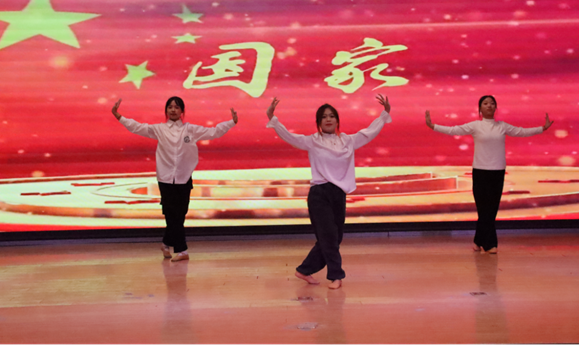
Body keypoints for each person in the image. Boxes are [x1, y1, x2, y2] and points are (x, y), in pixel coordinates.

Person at [266, 95, 392, 289]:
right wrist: (273, 119)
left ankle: (304, 270)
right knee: (329, 237)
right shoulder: (312, 141)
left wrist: (384, 115)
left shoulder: (348, 141)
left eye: (332, 116)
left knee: (334, 237)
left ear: (337, 120)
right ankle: (336, 276)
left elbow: (369, 132)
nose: (328, 119)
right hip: (319, 194)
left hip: (338, 194)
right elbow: (289, 136)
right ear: (318, 122)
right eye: (324, 117)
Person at [112, 96, 238, 262]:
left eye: (176, 107)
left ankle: (166, 243)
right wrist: (118, 116)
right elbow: (137, 127)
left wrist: (231, 122)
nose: (173, 110)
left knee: (180, 215)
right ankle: (182, 250)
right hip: (165, 178)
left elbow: (213, 132)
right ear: (166, 111)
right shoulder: (159, 129)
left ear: (182, 112)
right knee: (172, 215)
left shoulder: (190, 130)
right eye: (170, 107)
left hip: (184, 177)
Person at [425, 95, 553, 254]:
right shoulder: (475, 126)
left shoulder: (502, 126)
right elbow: (454, 130)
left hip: (497, 171)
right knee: (483, 209)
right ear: (480, 109)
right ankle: (490, 244)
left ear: (495, 108)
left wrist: (542, 128)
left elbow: (521, 132)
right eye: (485, 104)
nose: (489, 106)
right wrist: (433, 126)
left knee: (491, 209)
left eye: (492, 104)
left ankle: (478, 240)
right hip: (480, 171)